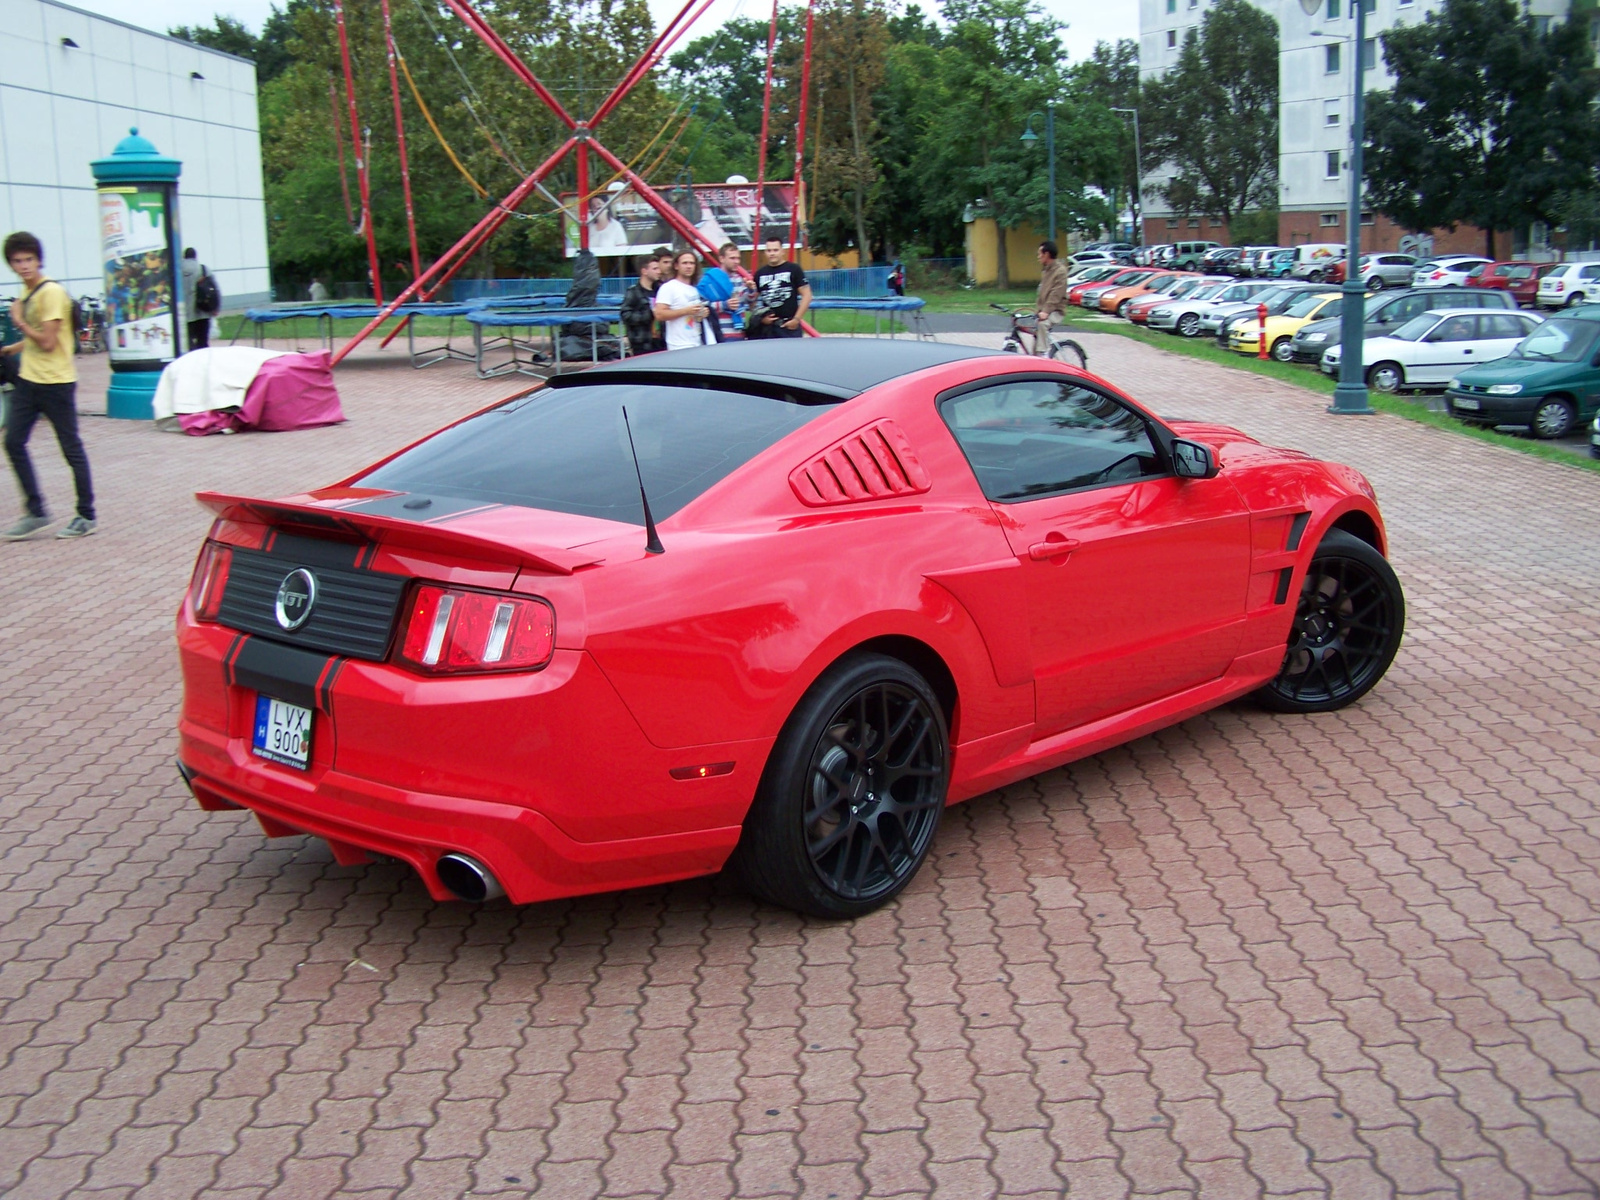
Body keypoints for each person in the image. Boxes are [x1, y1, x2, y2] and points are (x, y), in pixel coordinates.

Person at [2, 232, 95, 540]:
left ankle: (86, 515)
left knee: (71, 448)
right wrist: (11, 350)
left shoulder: (51, 292)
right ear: (11, 264)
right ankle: (37, 511)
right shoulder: (27, 292)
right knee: (13, 442)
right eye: (17, 261)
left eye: (29, 259)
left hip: (56, 382)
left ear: (39, 260)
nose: (24, 265)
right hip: (29, 381)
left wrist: (19, 321)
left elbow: (47, 340)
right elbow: (34, 339)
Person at [748, 237, 811, 339]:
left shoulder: (794, 269)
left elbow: (807, 295)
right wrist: (760, 318)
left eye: (775, 250)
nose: (772, 253)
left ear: (783, 251)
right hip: (767, 328)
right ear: (765, 252)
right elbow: (752, 302)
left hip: (789, 326)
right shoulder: (760, 274)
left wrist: (796, 319)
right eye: (769, 250)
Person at [654, 251, 712, 350]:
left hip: (697, 341)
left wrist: (702, 314)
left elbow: (695, 317)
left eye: (692, 263)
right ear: (676, 266)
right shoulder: (669, 287)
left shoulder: (694, 289)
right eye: (685, 263)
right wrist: (685, 311)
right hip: (678, 344)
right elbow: (659, 314)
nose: (689, 266)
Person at [697, 243, 748, 342]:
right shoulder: (708, 280)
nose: (736, 262)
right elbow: (701, 307)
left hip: (740, 332)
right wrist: (724, 305)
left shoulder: (741, 279)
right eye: (732, 258)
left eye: (738, 258)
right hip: (719, 333)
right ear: (721, 258)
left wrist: (751, 290)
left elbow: (748, 304)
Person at [620, 256, 661, 356]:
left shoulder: (660, 290)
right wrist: (649, 315)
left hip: (660, 341)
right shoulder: (633, 292)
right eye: (655, 269)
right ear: (644, 271)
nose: (659, 271)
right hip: (642, 343)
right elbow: (625, 315)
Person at [1034, 240, 1069, 356]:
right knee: (1034, 330)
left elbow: (1056, 294)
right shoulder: (1046, 270)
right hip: (1044, 311)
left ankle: (1043, 355)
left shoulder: (1060, 271)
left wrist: (1045, 311)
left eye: (1040, 254)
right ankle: (1034, 361)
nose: (1038, 257)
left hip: (1056, 311)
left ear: (1047, 254)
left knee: (1042, 325)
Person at [181, 247, 209, 351]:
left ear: (184, 256)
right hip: (202, 311)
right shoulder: (203, 269)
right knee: (202, 341)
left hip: (185, 312)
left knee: (187, 341)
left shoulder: (177, 270)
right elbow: (213, 289)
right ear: (195, 256)